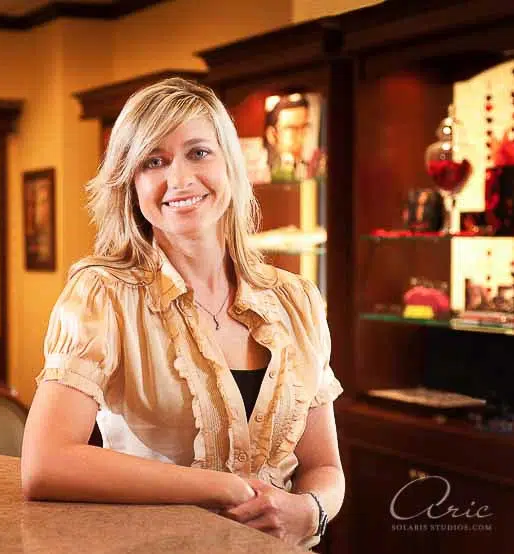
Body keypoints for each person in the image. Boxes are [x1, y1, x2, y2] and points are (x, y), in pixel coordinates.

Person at [20, 78, 345, 549]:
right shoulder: (103, 295)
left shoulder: (297, 300)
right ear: (131, 185)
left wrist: (310, 511)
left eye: (198, 153)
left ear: (230, 166)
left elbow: (325, 467)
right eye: (154, 161)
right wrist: (225, 489)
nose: (179, 180)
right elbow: (44, 464)